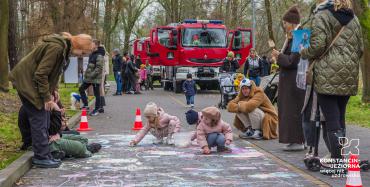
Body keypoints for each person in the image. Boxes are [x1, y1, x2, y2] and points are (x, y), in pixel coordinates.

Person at [10, 32, 93, 168]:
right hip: (27, 83)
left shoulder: (62, 49)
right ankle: (41, 157)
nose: (81, 55)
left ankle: (45, 154)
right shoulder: (57, 48)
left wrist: (54, 90)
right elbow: (41, 74)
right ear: (78, 46)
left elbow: (52, 73)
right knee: (39, 118)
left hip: (31, 82)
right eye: (83, 52)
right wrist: (47, 98)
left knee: (44, 117)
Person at [300, 0, 363, 174]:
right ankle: (339, 159)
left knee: (331, 118)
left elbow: (318, 46)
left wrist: (304, 51)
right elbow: (360, 49)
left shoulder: (321, 16)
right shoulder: (354, 19)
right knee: (340, 118)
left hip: (327, 73)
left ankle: (338, 163)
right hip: (349, 73)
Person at [271, 5, 306, 151]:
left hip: (294, 82)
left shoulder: (300, 36)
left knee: (293, 110)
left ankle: (297, 140)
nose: (284, 26)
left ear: (291, 23)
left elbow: (293, 61)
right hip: (291, 81)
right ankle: (295, 140)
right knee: (289, 109)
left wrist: (279, 56)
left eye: (285, 23)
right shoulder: (296, 36)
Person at [79, 39, 105, 116]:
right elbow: (90, 67)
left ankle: (97, 109)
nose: (91, 46)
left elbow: (98, 68)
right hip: (89, 78)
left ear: (96, 45)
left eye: (92, 44)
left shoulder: (99, 55)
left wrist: (91, 75)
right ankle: (86, 105)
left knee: (97, 94)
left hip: (95, 78)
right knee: (81, 89)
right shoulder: (92, 54)